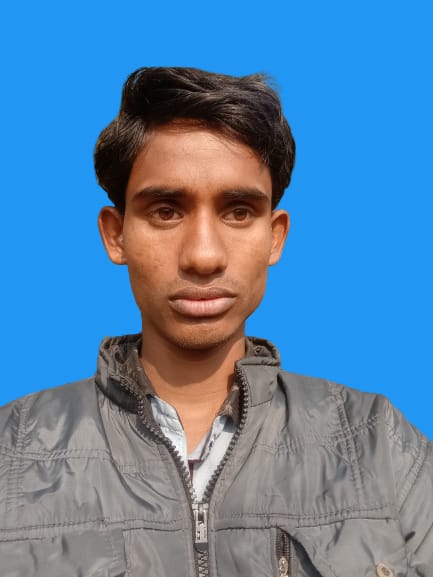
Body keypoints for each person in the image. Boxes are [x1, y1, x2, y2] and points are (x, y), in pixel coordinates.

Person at [0, 67, 431, 577]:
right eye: (166, 211)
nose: (203, 256)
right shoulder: (11, 451)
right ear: (116, 235)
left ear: (275, 237)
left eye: (238, 212)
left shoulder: (377, 445)